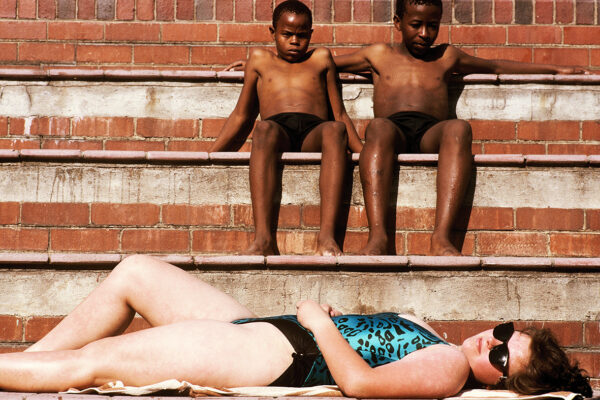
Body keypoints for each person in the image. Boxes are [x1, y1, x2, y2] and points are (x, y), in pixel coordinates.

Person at [0, 255, 592, 398]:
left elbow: (360, 385)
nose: (488, 342)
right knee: (133, 272)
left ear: (500, 384)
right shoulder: (441, 344)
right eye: (502, 331)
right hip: (266, 330)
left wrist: (318, 321)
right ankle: (20, 373)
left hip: (269, 352)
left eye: (501, 357)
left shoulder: (445, 367)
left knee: (97, 361)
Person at [333, 0, 589, 256]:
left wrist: (555, 69)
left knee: (458, 128)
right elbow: (326, 64)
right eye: (416, 25)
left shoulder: (446, 55)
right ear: (398, 23)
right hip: (393, 130)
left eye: (432, 26)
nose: (425, 33)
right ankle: (378, 237)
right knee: (378, 127)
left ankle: (441, 238)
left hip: (430, 132)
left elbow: (495, 66)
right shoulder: (378, 54)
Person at [210, 1, 362, 256]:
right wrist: (211, 154)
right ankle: (263, 240)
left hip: (314, 131)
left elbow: (340, 114)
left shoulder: (321, 58)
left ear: (311, 34)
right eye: (287, 34)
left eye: (302, 35)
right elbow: (242, 115)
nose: (294, 41)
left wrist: (363, 152)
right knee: (263, 128)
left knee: (335, 130)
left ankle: (326, 237)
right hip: (277, 131)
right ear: (272, 32)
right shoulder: (259, 59)